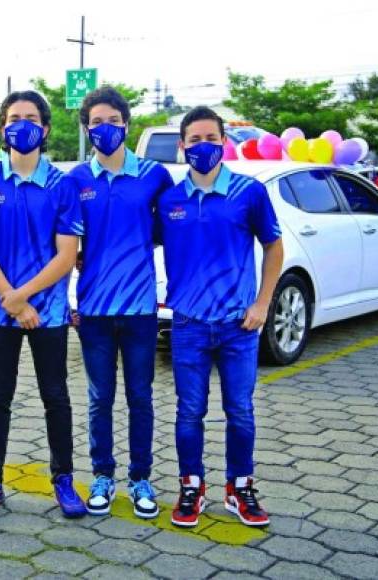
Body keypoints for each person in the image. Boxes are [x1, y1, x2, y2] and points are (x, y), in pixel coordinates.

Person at [157, 106, 283, 528]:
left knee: (240, 411)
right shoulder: (169, 199)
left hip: (238, 325)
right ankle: (191, 485)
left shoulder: (248, 192)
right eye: (194, 140)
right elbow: (138, 241)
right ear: (182, 146)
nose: (203, 146)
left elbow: (274, 247)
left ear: (224, 142)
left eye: (211, 138)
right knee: (189, 411)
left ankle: (239, 487)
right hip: (189, 324)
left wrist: (263, 303)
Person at [0, 90, 86, 519]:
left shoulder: (62, 185)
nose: (23, 124)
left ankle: (64, 479)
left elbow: (66, 256)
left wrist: (23, 297)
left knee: (56, 395)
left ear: (46, 128)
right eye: (14, 117)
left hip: (48, 313)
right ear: (2, 127)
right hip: (1, 313)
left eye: (31, 117)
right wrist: (12, 303)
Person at [68, 86, 173, 519]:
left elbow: (170, 230)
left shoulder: (154, 175)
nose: (105, 129)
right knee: (99, 398)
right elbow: (63, 242)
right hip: (93, 310)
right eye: (97, 122)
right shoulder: (75, 180)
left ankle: (141, 477)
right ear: (87, 128)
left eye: (113, 121)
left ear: (126, 124)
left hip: (140, 310)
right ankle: (103, 475)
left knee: (140, 396)